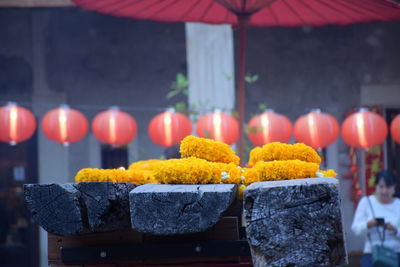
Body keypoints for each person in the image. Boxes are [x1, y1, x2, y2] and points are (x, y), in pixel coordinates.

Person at [351, 170, 400, 267]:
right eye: (381, 186)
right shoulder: (366, 202)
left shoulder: (398, 204)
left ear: (394, 187)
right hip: (372, 253)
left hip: (395, 253)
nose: (384, 191)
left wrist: (394, 229)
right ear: (376, 186)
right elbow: (355, 229)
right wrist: (368, 224)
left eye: (388, 187)